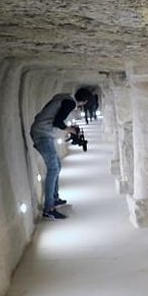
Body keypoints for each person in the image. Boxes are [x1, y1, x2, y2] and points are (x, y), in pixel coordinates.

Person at [29, 87, 92, 220]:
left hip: (43, 132)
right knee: (53, 168)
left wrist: (69, 129)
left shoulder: (64, 98)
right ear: (84, 101)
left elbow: (51, 116)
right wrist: (71, 130)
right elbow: (57, 121)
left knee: (57, 165)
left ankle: (54, 198)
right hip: (42, 134)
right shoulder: (70, 103)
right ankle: (49, 208)